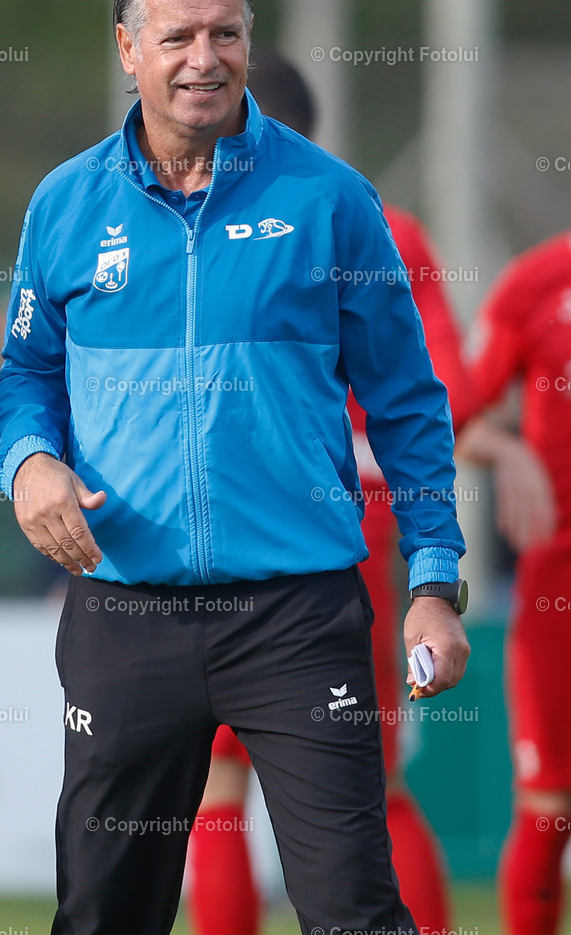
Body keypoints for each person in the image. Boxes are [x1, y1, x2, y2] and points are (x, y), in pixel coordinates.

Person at [0, 0, 469, 934]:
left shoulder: (330, 198)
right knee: (103, 915)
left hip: (297, 615)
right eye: (177, 37)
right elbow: (27, 376)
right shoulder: (65, 203)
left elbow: (407, 400)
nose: (202, 59)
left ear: (249, 42)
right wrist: (28, 461)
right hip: (125, 613)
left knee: (354, 911)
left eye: (225, 34)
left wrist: (432, 581)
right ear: (128, 48)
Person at [187, 48, 474, 935]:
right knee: (368, 776)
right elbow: (446, 389)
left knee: (217, 786)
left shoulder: (203, 226)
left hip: (248, 527)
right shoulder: (379, 220)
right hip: (352, 527)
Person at [458, 229, 571, 934]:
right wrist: (507, 449)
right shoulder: (536, 282)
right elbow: (454, 416)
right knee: (549, 805)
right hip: (558, 584)